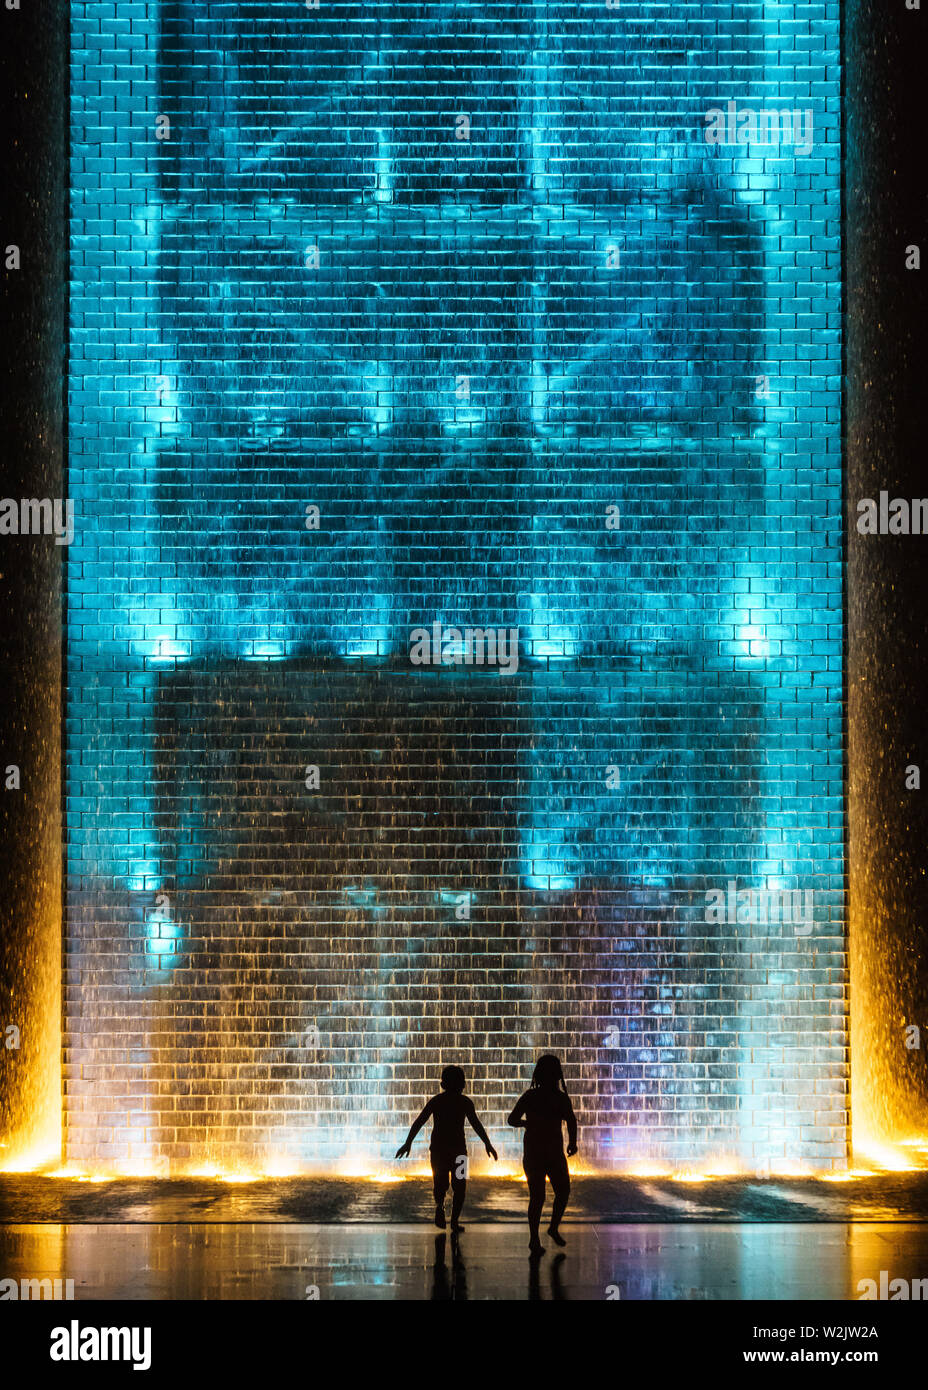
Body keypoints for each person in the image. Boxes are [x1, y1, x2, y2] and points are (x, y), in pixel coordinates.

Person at [396, 1065, 498, 1230]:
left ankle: (440, 1207)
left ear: (443, 1084)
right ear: (463, 1084)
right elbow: (477, 1125)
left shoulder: (437, 1100)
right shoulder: (465, 1102)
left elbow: (419, 1121)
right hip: (459, 1151)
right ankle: (455, 1221)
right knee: (460, 1187)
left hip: (438, 1151)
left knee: (440, 1183)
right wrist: (487, 1143)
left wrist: (408, 1142)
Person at [508, 1054, 578, 1254]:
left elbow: (512, 1119)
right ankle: (550, 1229)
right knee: (561, 1192)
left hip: (534, 1153)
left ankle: (535, 1238)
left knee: (537, 1197)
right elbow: (571, 1121)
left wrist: (527, 1123)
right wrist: (573, 1143)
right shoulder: (560, 1098)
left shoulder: (531, 1096)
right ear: (558, 1075)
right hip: (551, 1153)